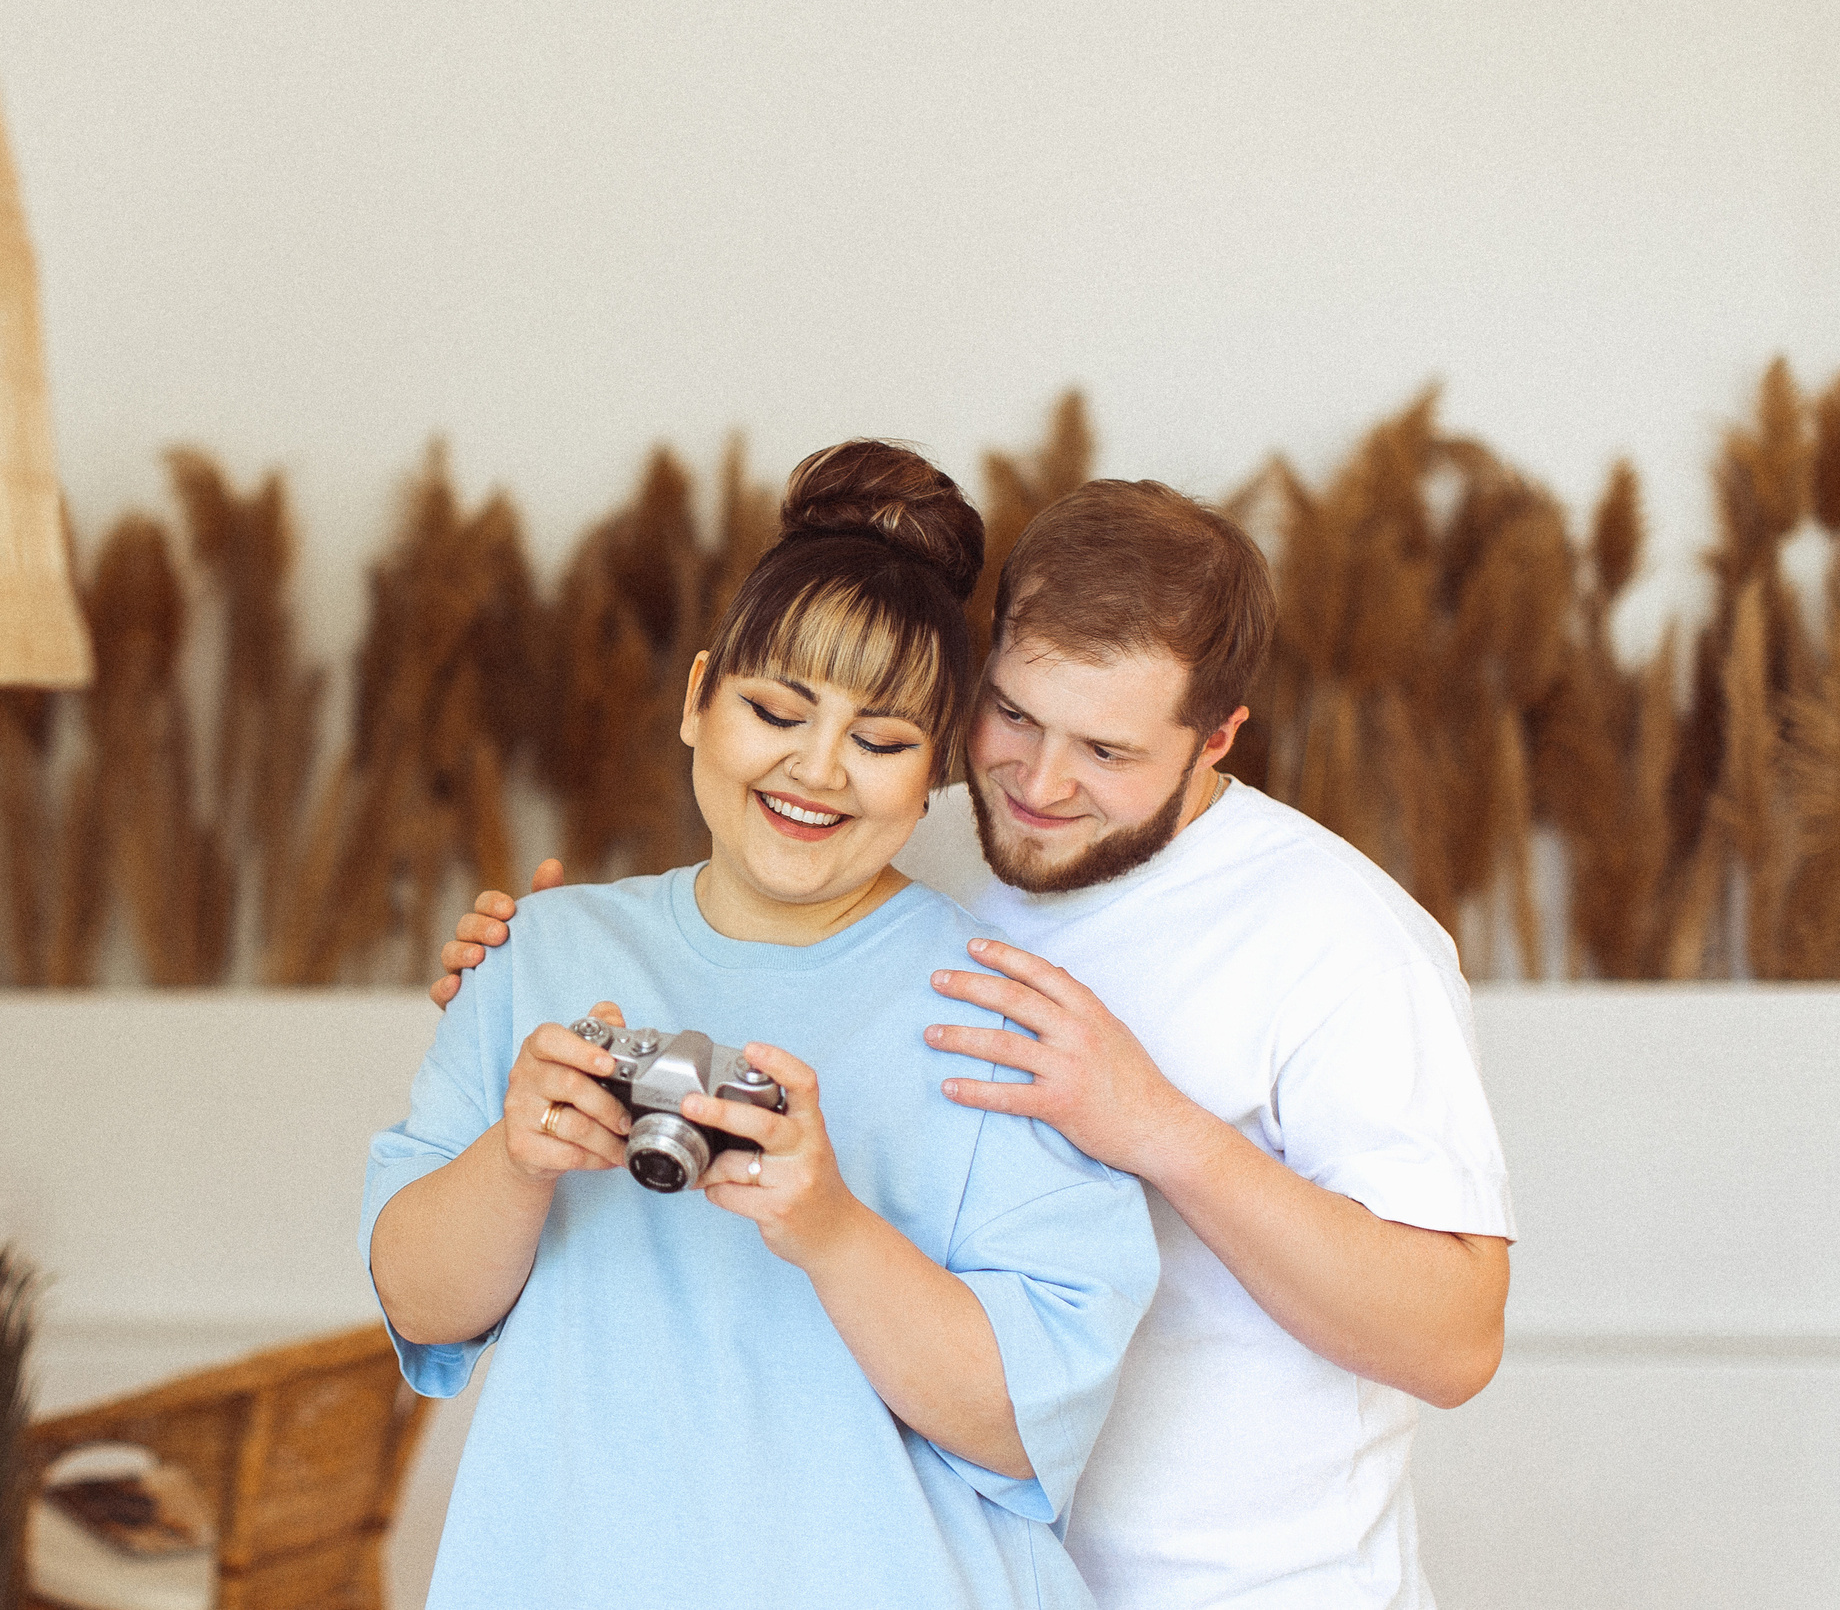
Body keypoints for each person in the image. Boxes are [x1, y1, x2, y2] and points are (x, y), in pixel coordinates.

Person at [433, 477, 1513, 1610]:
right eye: (1012, 717)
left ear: (1220, 737)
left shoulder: (1340, 938)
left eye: (1106, 749)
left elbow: (1452, 1344)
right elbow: (708, 970)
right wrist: (527, 973)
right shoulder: (906, 836)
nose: (1040, 785)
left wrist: (1159, 1130)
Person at [366, 442, 1160, 1610]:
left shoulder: (1002, 1010)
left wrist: (831, 1227)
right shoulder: (541, 955)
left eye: (882, 741)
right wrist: (516, 1159)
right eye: (775, 710)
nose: (816, 768)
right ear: (698, 700)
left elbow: (1022, 1425)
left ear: (934, 768)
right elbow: (418, 1305)